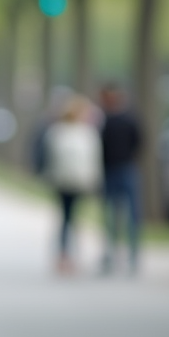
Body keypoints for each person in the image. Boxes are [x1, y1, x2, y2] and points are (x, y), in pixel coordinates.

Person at [42, 96, 102, 275]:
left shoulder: (61, 132)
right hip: (66, 181)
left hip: (74, 181)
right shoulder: (79, 133)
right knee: (67, 218)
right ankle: (64, 255)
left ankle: (70, 254)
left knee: (71, 219)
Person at [99, 83, 143, 273]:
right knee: (110, 216)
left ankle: (132, 256)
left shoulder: (127, 119)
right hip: (111, 171)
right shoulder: (105, 120)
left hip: (124, 169)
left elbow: (139, 141)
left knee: (130, 215)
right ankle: (111, 254)